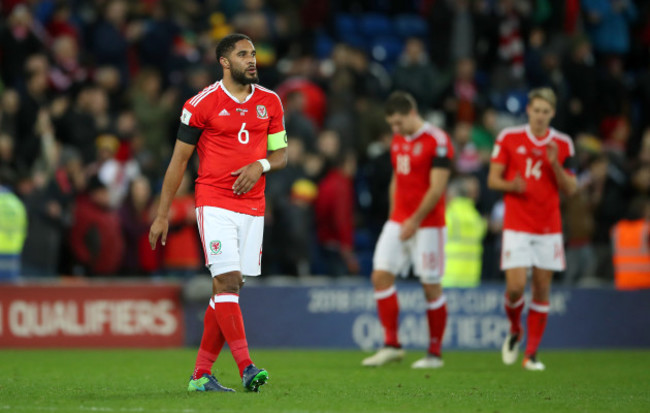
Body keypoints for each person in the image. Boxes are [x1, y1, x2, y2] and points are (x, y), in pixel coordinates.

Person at [148, 33, 287, 392]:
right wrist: (162, 214)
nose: (252, 60)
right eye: (243, 54)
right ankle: (246, 367)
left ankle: (200, 375)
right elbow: (179, 161)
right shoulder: (201, 104)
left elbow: (281, 155)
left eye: (254, 53)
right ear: (224, 62)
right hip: (214, 202)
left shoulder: (271, 103)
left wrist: (260, 166)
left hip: (253, 205)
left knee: (228, 288)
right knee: (226, 281)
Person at [487, 87, 577, 371]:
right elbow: (492, 180)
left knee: (541, 288)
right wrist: (510, 185)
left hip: (548, 227)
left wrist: (554, 165)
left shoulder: (563, 144)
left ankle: (531, 355)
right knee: (515, 289)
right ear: (528, 110)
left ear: (552, 113)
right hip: (517, 224)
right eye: (536, 110)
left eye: (545, 111)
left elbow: (572, 188)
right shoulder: (509, 137)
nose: (540, 116)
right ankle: (515, 329)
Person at [362, 91, 453, 369]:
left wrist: (414, 220)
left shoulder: (438, 141)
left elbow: (437, 188)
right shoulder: (398, 140)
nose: (395, 129)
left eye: (399, 122)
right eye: (392, 124)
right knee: (380, 276)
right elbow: (396, 180)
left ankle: (434, 353)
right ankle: (392, 345)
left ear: (412, 113)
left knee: (430, 286)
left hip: (428, 225)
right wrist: (394, 216)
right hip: (400, 221)